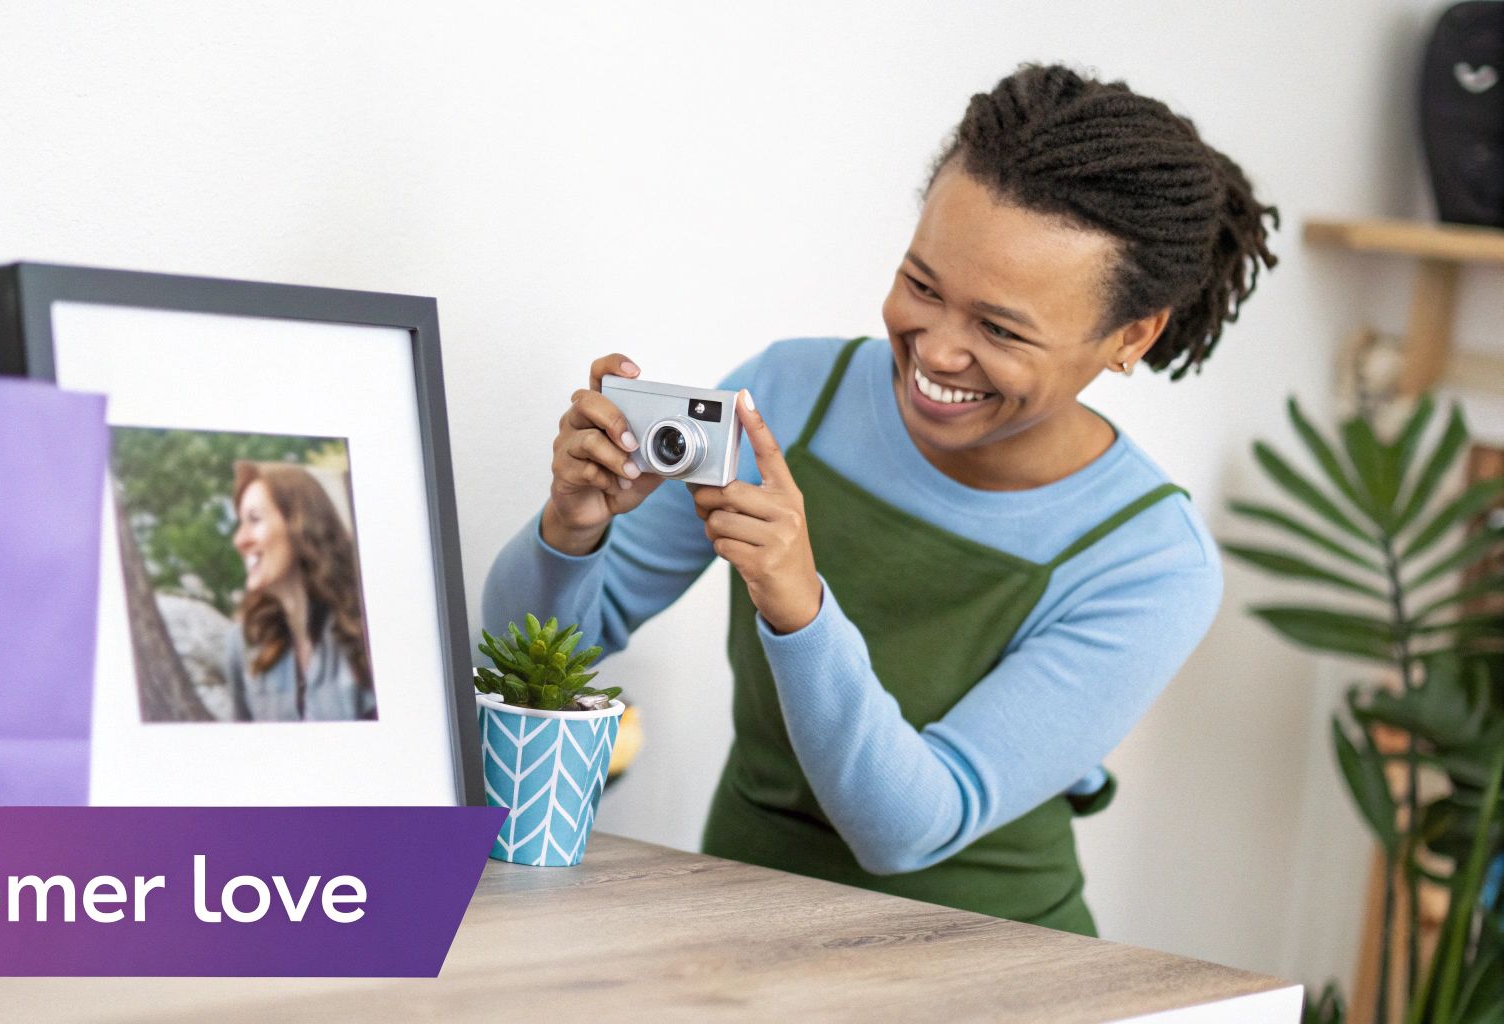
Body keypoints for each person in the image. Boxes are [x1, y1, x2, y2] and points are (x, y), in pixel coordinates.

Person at [481, 63, 1278, 936]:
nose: (936, 351)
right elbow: (536, 658)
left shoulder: (1152, 561)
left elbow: (908, 829)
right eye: (923, 286)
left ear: (1132, 335)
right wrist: (574, 526)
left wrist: (799, 608)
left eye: (1001, 329)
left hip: (989, 965)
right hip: (728, 933)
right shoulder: (786, 394)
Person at [224, 460, 376, 722]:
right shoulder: (243, 643)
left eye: (255, 520)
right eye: (241, 523)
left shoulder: (367, 628)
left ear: (300, 525)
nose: (240, 540)